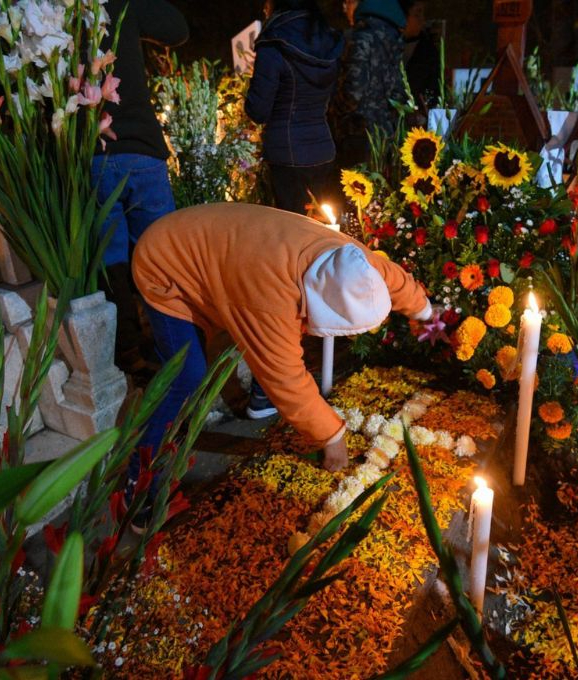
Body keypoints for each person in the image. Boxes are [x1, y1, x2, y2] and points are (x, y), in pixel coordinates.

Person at [132, 203, 434, 471]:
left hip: (215, 241)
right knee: (187, 376)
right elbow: (285, 378)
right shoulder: (270, 300)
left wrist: (424, 312)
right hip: (165, 262)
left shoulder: (353, 260)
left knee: (263, 338)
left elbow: (393, 279)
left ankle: (260, 400)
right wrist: (332, 436)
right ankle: (141, 482)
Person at [92, 0, 189, 379]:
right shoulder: (118, 3)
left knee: (111, 262)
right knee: (162, 259)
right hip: (140, 150)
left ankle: (130, 355)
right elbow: (176, 28)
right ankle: (180, 356)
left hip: (92, 155)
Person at [244, 0, 344, 215]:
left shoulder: (275, 41)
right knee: (321, 231)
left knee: (292, 234)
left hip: (287, 153)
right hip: (324, 148)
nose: (263, 8)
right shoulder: (327, 38)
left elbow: (258, 111)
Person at [329, 0, 407, 168]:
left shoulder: (361, 36)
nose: (344, 8)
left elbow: (353, 91)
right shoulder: (393, 35)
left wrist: (334, 111)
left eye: (348, 2)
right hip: (387, 134)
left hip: (358, 133)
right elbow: (399, 91)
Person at [400, 0, 441, 113]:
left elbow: (434, 88)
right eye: (417, 15)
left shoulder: (428, 50)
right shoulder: (390, 45)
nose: (422, 20)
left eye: (422, 14)